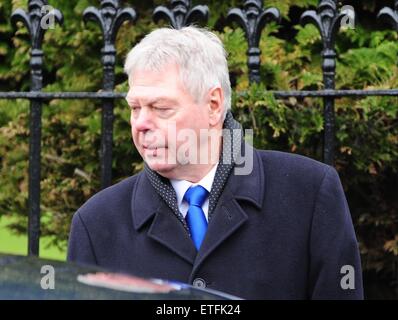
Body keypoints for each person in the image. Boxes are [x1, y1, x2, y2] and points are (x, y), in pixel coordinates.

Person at [67, 26, 363, 299]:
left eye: (160, 108)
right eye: (135, 108)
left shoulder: (309, 193)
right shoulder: (96, 224)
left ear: (213, 105)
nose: (141, 124)